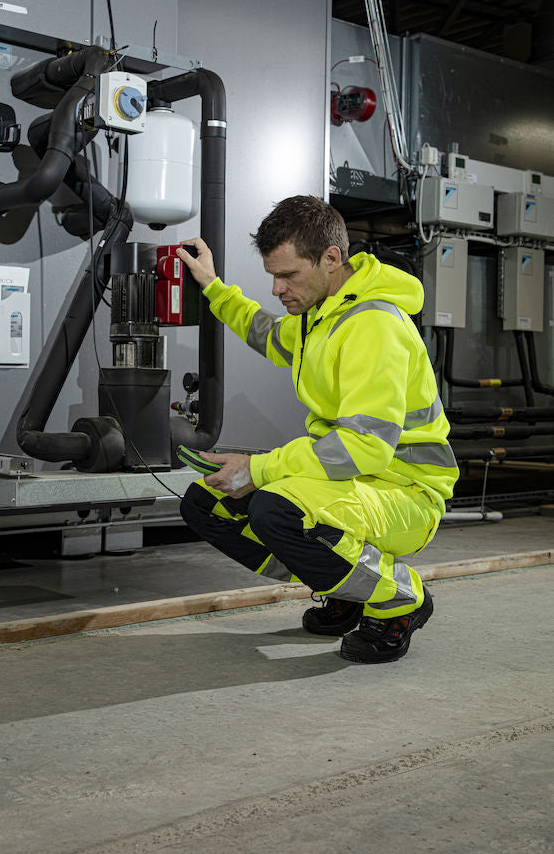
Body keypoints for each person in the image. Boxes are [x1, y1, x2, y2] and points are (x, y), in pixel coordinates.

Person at [176, 195, 458, 663]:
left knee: (275, 510)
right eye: (272, 275)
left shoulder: (374, 325)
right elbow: (267, 333)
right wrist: (211, 284)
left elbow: (365, 448)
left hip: (405, 492)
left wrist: (258, 469)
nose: (277, 289)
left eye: (288, 275)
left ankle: (397, 598)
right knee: (206, 504)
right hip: (352, 482)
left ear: (331, 258)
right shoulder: (320, 315)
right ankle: (347, 587)